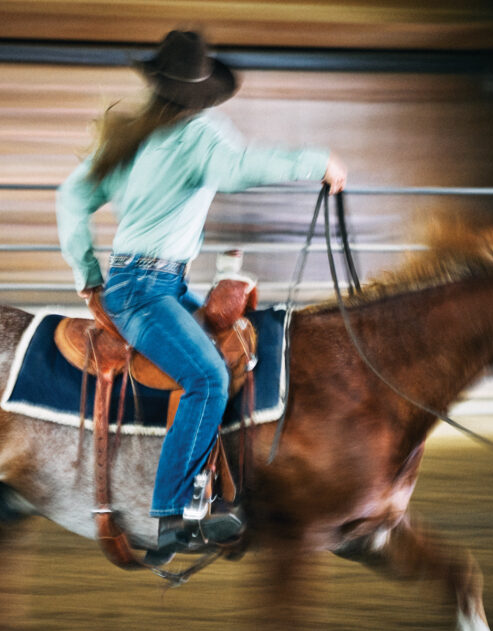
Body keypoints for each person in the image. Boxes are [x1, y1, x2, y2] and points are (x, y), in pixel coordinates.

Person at [56, 30, 347, 558]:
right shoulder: (200, 135)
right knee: (208, 377)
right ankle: (170, 513)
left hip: (146, 283)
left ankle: (211, 486)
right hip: (147, 290)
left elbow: (70, 197)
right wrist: (316, 162)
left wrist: (88, 275)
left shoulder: (135, 136)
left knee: (237, 349)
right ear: (205, 91)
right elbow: (240, 169)